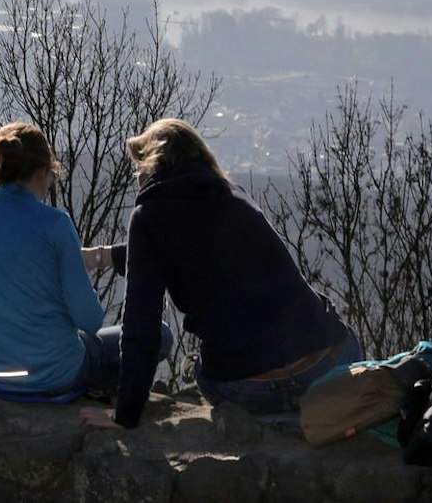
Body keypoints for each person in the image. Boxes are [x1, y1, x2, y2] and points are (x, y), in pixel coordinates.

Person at [80, 118, 361, 429]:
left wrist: (126, 415)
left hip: (248, 385)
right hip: (327, 361)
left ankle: (278, 413)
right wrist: (102, 256)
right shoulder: (233, 195)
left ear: (149, 167)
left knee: (200, 370)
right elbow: (193, 246)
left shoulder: (148, 217)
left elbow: (141, 326)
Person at [0, 120, 172, 397]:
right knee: (160, 335)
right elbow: (90, 319)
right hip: (55, 375)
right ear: (42, 172)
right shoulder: (55, 225)